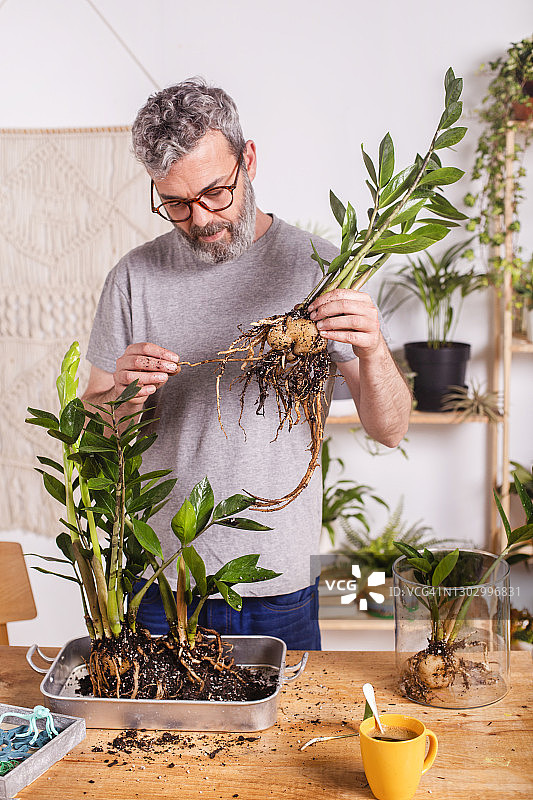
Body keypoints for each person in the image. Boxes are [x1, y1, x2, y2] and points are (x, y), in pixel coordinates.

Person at [82, 77, 411, 650]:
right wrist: (126, 396)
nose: (202, 219)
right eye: (177, 204)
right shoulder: (133, 278)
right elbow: (92, 428)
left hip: (279, 585)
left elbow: (391, 428)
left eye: (215, 193)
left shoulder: (319, 268)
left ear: (248, 159)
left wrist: (373, 349)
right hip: (161, 581)